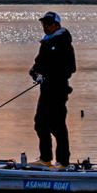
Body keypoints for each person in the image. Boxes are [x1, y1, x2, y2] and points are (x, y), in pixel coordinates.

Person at [29, 10, 76, 164]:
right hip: (46, 91)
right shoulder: (46, 42)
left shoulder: (64, 42)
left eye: (48, 24)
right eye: (44, 24)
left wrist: (48, 75)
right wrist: (36, 74)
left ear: (57, 25)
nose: (45, 27)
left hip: (58, 91)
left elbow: (70, 68)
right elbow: (37, 66)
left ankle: (63, 162)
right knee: (40, 124)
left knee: (57, 126)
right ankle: (45, 159)